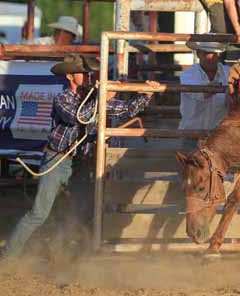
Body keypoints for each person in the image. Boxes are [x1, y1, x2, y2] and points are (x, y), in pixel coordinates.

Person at [0, 54, 157, 259]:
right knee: (39, 213)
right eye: (83, 73)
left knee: (85, 209)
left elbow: (125, 110)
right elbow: (78, 117)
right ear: (70, 77)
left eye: (88, 73)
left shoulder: (93, 98)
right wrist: (102, 98)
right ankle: (7, 255)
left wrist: (145, 95)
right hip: (56, 159)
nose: (88, 76)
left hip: (78, 162)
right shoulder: (62, 98)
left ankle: (53, 250)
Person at [179, 42, 230, 147]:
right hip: (192, 135)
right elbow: (202, 94)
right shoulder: (187, 75)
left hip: (219, 136)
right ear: (198, 54)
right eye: (206, 53)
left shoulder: (229, 72)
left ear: (219, 55)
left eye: (214, 53)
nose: (210, 57)